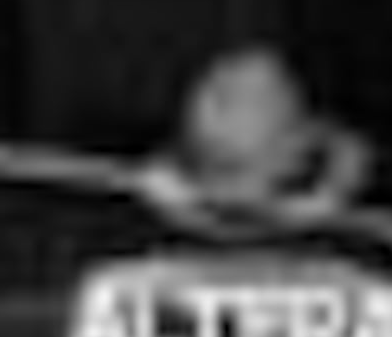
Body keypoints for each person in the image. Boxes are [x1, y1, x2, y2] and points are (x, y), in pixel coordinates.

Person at [147, 41, 374, 227]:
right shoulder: (127, 216)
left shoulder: (367, 246)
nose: (211, 105)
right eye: (217, 89)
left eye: (251, 97)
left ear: (298, 142)